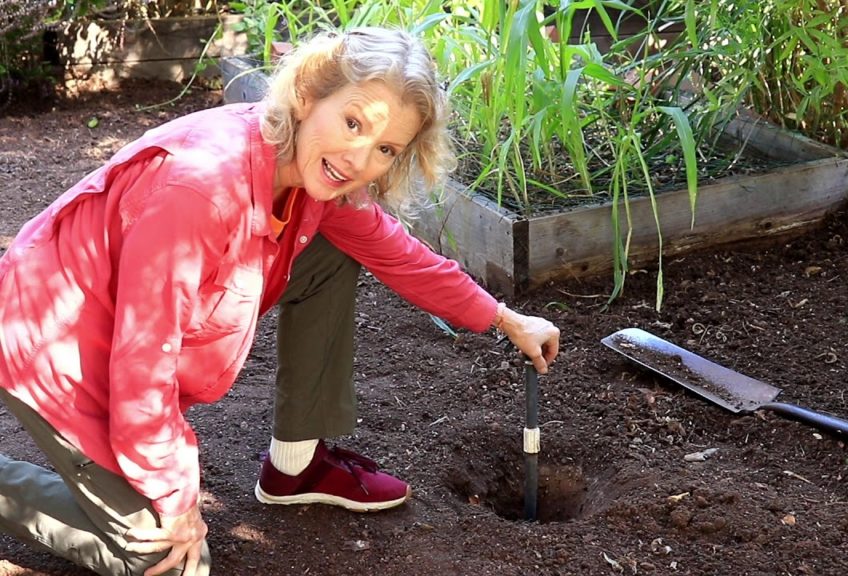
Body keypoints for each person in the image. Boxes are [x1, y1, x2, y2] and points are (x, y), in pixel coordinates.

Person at [0, 27, 560, 576]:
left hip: (121, 326)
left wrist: (506, 319)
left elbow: (397, 252)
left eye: (385, 148)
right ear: (307, 95)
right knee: (163, 558)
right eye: (353, 123)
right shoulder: (203, 189)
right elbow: (142, 364)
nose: (358, 158)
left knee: (335, 249)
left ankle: (296, 466)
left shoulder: (313, 173)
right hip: (58, 341)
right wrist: (175, 496)